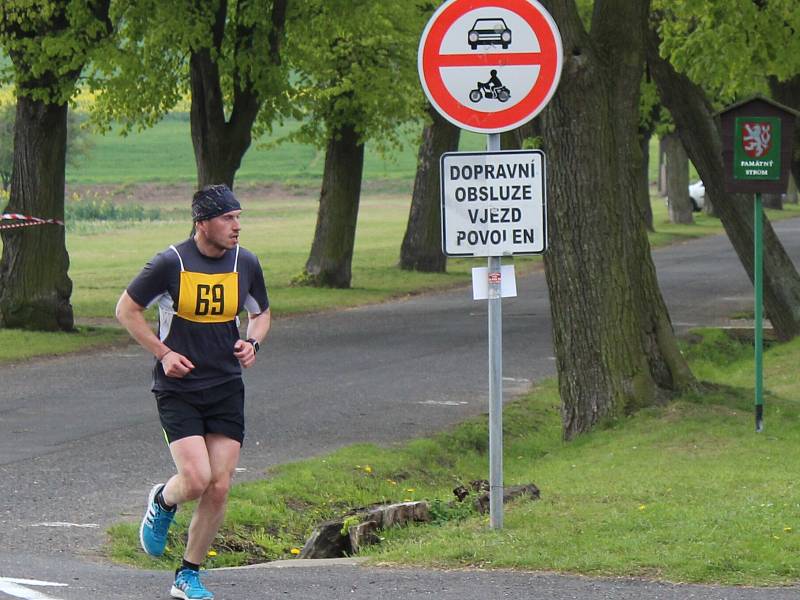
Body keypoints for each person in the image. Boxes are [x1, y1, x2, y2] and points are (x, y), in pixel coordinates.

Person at [116, 184, 271, 600]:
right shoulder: (171, 262)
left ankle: (188, 575)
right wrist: (163, 352)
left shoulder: (246, 262)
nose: (237, 226)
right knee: (197, 479)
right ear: (202, 222)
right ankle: (164, 501)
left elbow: (261, 313)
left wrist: (252, 343)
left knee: (220, 485)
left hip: (225, 386)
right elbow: (126, 310)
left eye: (239, 217)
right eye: (228, 218)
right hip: (179, 388)